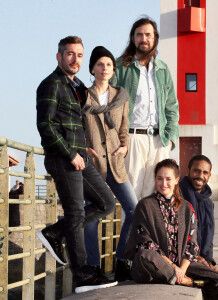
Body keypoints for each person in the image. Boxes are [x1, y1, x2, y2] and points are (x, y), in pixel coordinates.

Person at [36, 36, 117, 293]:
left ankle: (55, 233)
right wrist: (72, 153)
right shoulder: (51, 85)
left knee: (107, 203)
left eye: (80, 55)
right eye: (70, 54)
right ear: (59, 56)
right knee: (76, 214)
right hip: (63, 159)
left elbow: (74, 122)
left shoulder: (78, 85)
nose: (75, 59)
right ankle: (82, 276)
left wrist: (83, 148)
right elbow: (46, 126)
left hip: (79, 156)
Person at [124, 159, 218, 300]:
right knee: (145, 256)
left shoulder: (187, 207)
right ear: (155, 179)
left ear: (177, 180)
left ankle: (178, 277)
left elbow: (192, 245)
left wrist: (182, 269)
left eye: (168, 179)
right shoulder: (145, 205)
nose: (163, 184)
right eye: (159, 179)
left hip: (183, 264)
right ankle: (186, 281)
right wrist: (174, 268)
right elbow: (145, 242)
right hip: (156, 265)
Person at [82, 46, 138, 280]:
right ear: (93, 69)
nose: (105, 68)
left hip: (116, 163)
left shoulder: (121, 96)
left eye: (109, 65)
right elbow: (76, 127)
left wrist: (124, 147)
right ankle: (93, 267)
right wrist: (83, 149)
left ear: (113, 70)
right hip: (93, 165)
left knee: (134, 211)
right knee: (92, 217)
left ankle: (122, 261)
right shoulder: (82, 96)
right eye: (100, 64)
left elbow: (124, 126)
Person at [111, 17, 179, 200]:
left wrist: (171, 139)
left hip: (160, 140)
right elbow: (108, 104)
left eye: (148, 34)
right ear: (133, 38)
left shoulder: (163, 69)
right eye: (139, 34)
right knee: (132, 194)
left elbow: (171, 107)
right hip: (132, 137)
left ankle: (150, 230)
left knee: (156, 196)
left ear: (155, 38)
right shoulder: (120, 67)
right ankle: (131, 230)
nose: (144, 38)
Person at [179, 155, 216, 268]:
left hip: (200, 258)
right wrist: (193, 256)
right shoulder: (178, 195)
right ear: (188, 171)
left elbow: (209, 237)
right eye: (196, 171)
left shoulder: (208, 203)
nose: (200, 176)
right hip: (182, 258)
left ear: (209, 176)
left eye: (205, 172)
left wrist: (208, 259)